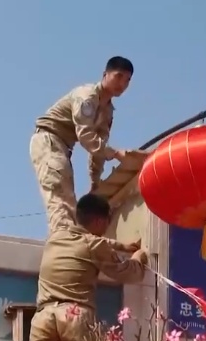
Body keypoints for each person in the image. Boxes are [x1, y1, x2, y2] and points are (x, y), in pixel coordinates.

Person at [28, 193, 147, 341]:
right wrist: (139, 257)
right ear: (100, 221)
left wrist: (120, 245)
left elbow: (88, 241)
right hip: (74, 316)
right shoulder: (95, 245)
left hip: (43, 318)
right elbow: (128, 273)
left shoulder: (56, 237)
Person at [30, 56, 135, 244]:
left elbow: (98, 148)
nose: (122, 84)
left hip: (62, 147)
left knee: (68, 200)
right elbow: (87, 137)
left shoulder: (107, 111)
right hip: (49, 141)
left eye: (127, 80)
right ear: (105, 75)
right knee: (61, 200)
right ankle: (62, 248)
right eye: (118, 77)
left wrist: (95, 183)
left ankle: (65, 243)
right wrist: (116, 153)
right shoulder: (86, 96)